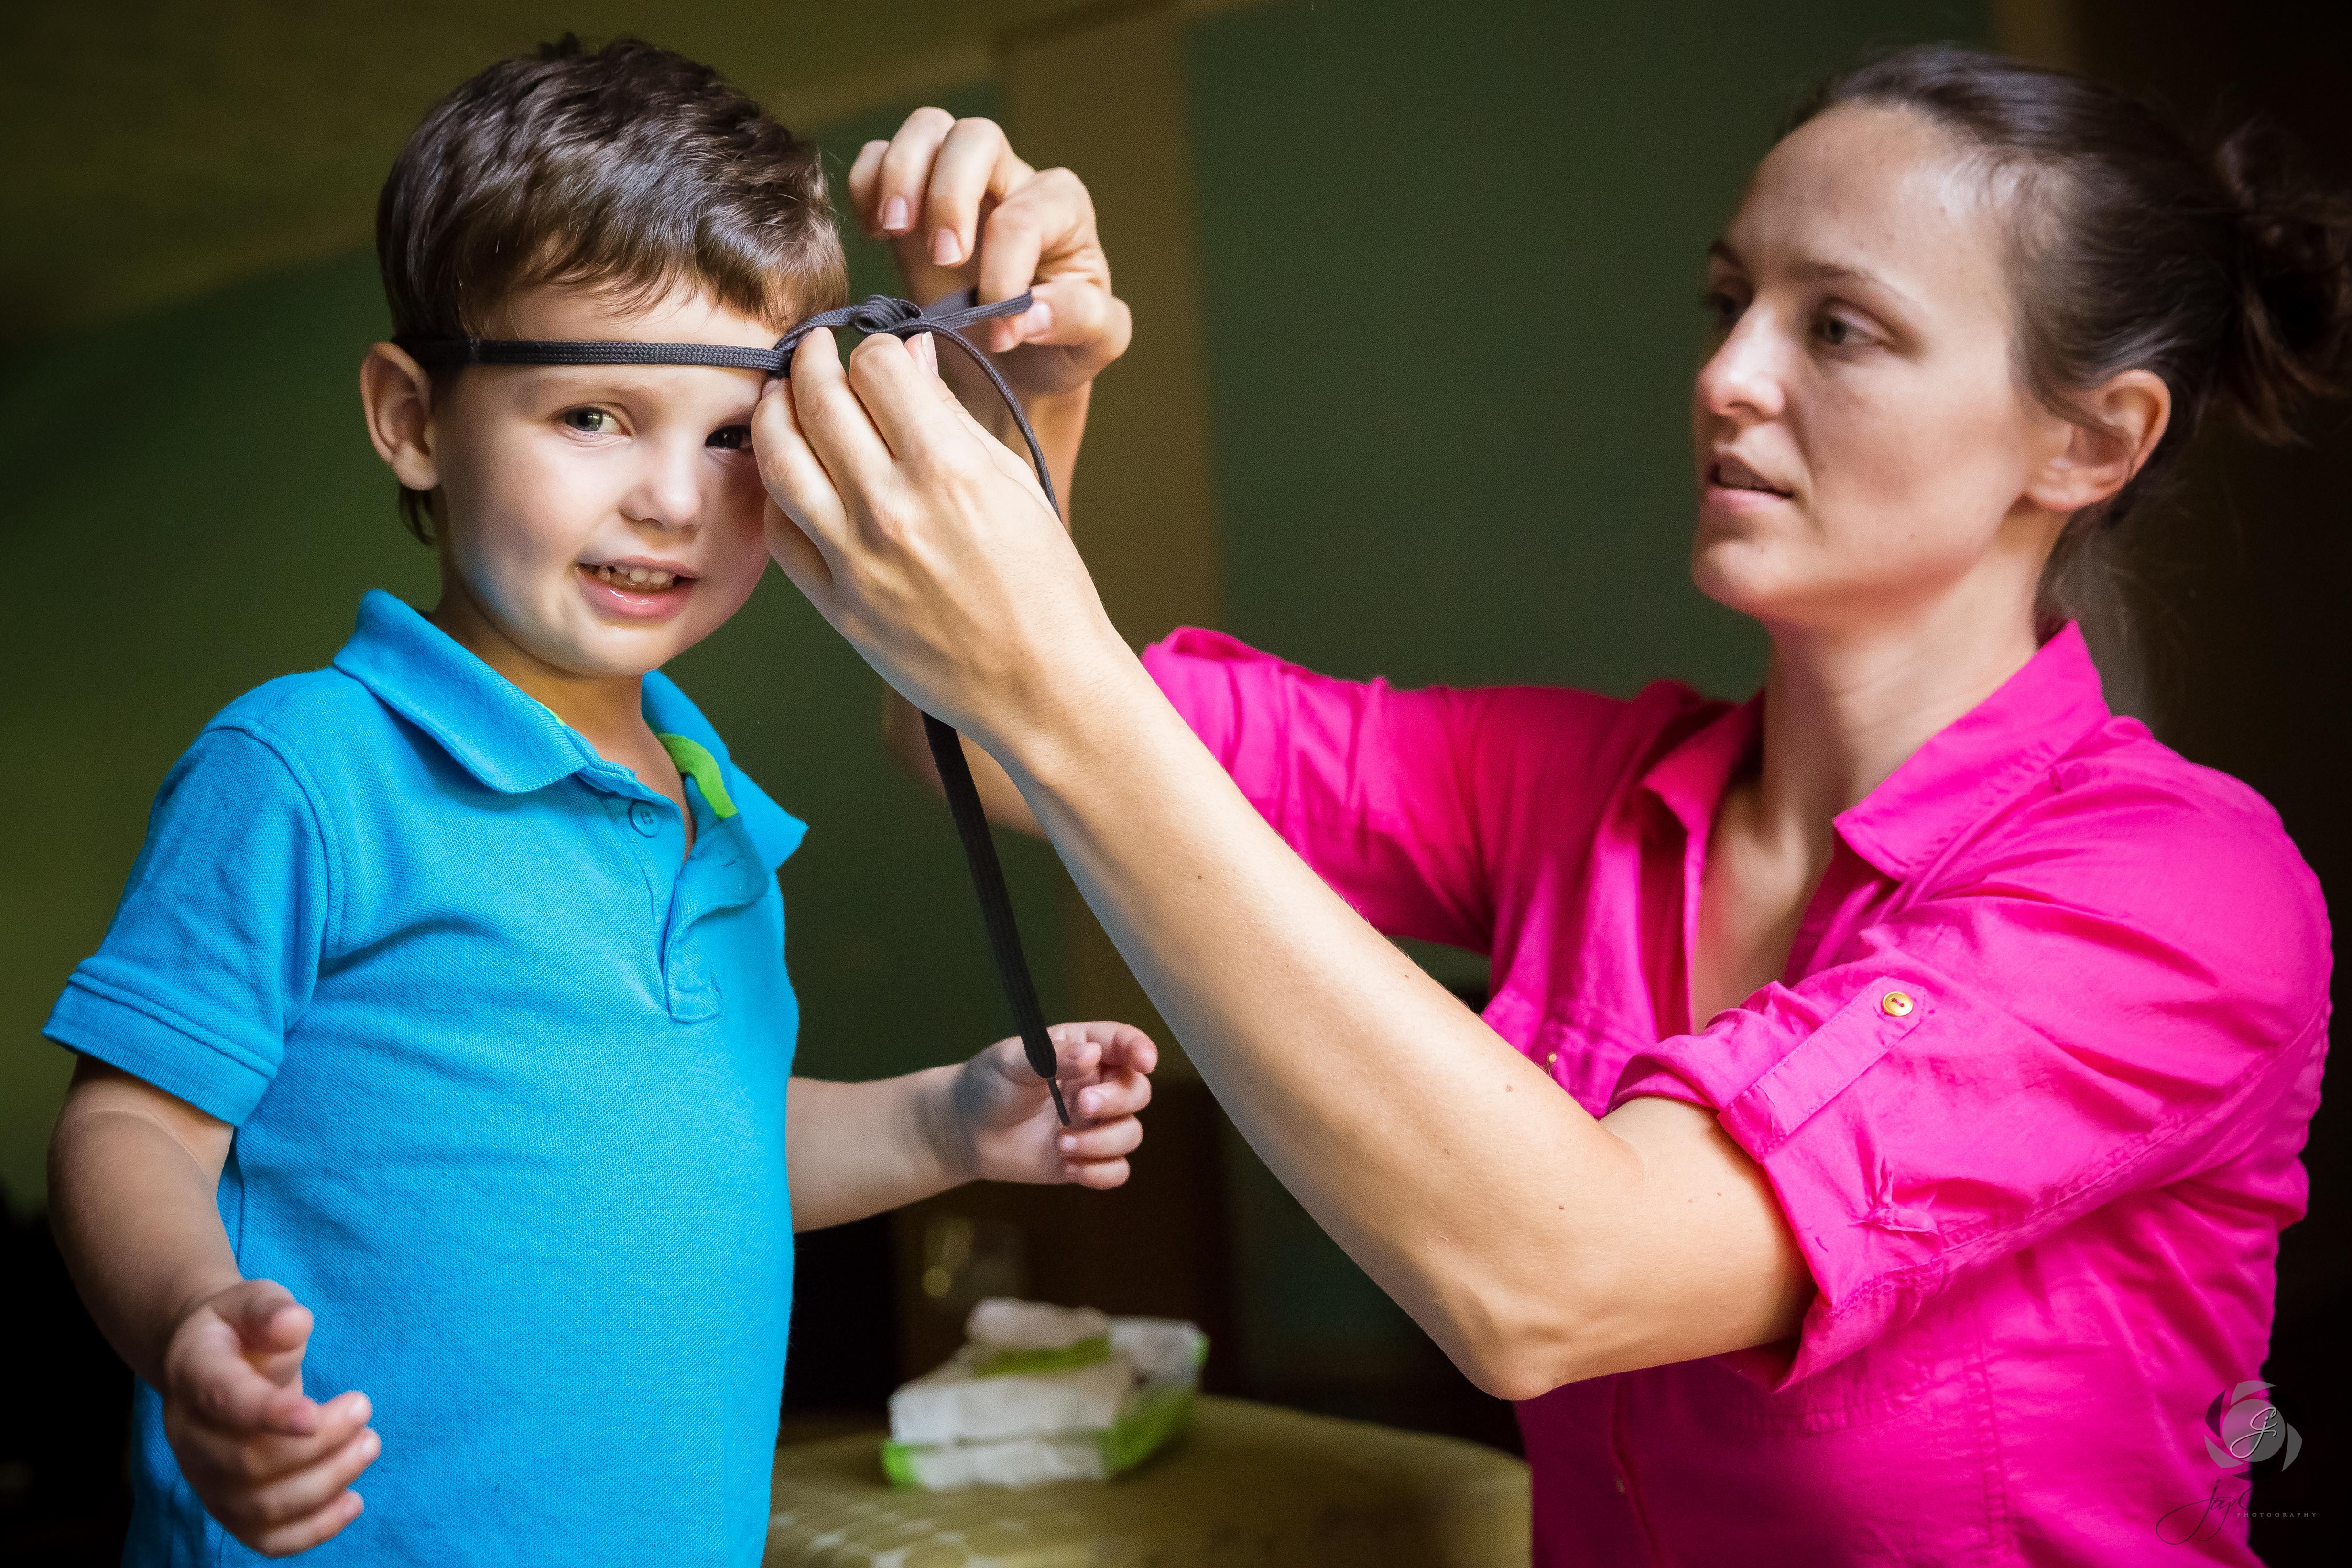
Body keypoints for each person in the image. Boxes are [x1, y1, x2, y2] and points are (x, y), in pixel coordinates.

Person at [758, 44, 2350, 1564]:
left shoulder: (2178, 895)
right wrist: (1018, 397)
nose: (1726, 377)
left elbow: (1554, 1280)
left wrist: (1053, 682)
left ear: (2090, 441)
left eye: (1840, 328)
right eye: (1728, 302)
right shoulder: (1575, 796)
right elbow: (981, 746)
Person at [42, 37, 1154, 1566]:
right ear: (413, 419)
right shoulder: (306, 768)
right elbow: (128, 1125)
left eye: (732, 435)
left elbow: (710, 1145)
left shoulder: (715, 812)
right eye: (592, 417)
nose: (674, 500)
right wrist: (188, 1326)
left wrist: (945, 1121)